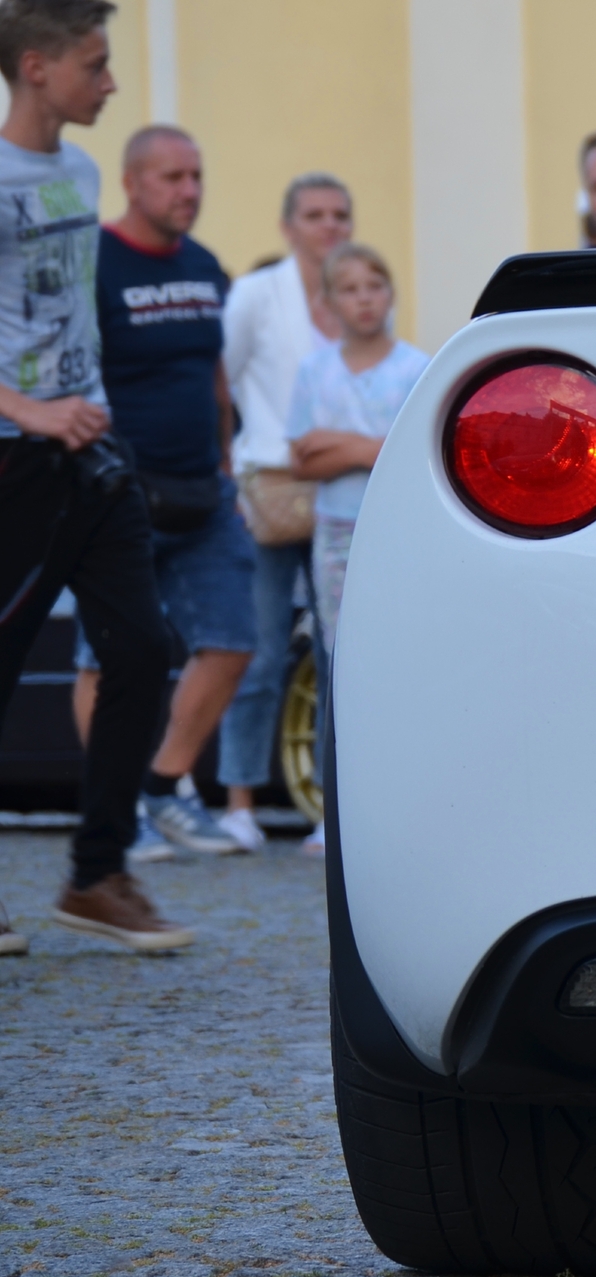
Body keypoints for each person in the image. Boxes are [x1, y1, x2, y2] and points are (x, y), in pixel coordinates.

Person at [0, 0, 191, 953]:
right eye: (95, 63)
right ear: (37, 67)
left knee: (145, 648)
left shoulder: (77, 172)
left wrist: (92, 406)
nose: (110, 82)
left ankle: (98, 871)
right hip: (14, 465)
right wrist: (28, 408)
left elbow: (70, 312)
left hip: (93, 456)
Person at [66, 124, 254, 858]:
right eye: (173, 177)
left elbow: (214, 376)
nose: (189, 191)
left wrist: (228, 462)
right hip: (118, 491)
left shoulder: (206, 266)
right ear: (133, 183)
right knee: (103, 657)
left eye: (197, 176)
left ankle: (160, 784)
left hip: (204, 492)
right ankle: (121, 812)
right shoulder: (97, 262)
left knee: (235, 641)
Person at [218, 173, 347, 846]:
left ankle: (333, 810)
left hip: (341, 492)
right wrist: (226, 463)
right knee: (259, 649)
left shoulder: (357, 289)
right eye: (315, 215)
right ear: (288, 226)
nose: (329, 226)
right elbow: (220, 374)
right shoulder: (256, 295)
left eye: (339, 215)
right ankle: (238, 801)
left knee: (336, 654)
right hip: (267, 487)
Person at [285, 242, 426, 851]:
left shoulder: (416, 368)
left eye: (374, 285)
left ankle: (403, 802)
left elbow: (410, 452)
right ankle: (334, 810)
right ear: (328, 302)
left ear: (390, 294)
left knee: (398, 661)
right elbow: (301, 457)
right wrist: (372, 446)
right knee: (339, 666)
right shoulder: (314, 373)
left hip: (396, 530)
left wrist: (340, 445)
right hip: (337, 534)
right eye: (350, 288)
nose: (364, 298)